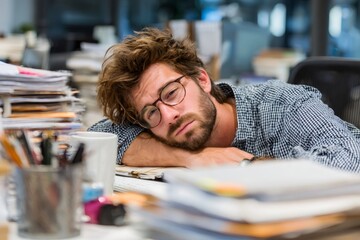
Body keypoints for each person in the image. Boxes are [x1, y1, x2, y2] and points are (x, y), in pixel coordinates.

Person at [89, 27, 360, 172]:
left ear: (203, 79)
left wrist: (245, 167)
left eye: (171, 93)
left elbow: (349, 159)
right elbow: (97, 136)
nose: (168, 115)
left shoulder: (280, 104)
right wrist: (193, 158)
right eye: (150, 112)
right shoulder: (161, 125)